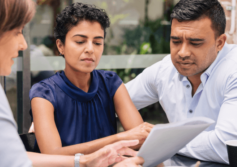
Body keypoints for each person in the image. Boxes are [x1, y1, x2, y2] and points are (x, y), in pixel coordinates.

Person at [0, 0, 145, 166]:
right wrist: (117, 140)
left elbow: (10, 156)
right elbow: (21, 159)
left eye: (98, 42)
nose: (23, 44)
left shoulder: (109, 81)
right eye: (16, 31)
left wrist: (85, 161)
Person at [126, 0, 237, 164]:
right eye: (176, 41)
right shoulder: (165, 70)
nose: (182, 53)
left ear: (220, 43)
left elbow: (228, 147)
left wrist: (162, 140)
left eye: (195, 43)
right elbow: (115, 102)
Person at [29, 2, 153, 156]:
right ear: (60, 46)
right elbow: (53, 154)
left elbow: (141, 138)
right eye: (80, 41)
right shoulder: (44, 93)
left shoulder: (111, 83)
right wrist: (120, 138)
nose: (90, 49)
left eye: (97, 42)